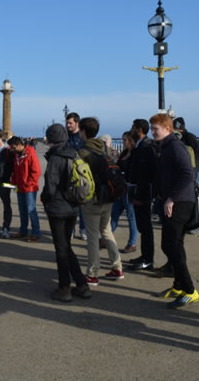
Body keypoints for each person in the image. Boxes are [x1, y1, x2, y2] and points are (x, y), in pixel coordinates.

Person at [150, 113, 198, 308]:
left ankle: (189, 290)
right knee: (172, 245)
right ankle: (178, 285)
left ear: (168, 129)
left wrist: (172, 198)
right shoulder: (166, 146)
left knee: (172, 245)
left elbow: (188, 173)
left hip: (180, 203)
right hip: (172, 201)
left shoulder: (175, 147)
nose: (152, 132)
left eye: (156, 129)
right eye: (152, 128)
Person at [41, 124, 92, 302]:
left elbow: (50, 187)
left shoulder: (55, 158)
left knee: (61, 249)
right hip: (73, 206)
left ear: (51, 139)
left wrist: (44, 199)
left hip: (58, 209)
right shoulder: (73, 153)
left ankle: (64, 288)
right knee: (66, 246)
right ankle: (81, 285)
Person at [77, 117, 124, 285]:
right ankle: (117, 267)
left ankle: (92, 273)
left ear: (83, 131)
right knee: (106, 231)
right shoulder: (105, 148)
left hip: (93, 200)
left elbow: (81, 178)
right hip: (109, 197)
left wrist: (80, 198)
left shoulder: (83, 152)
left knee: (92, 237)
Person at [126, 118, 157, 271]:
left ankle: (148, 259)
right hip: (137, 192)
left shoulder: (147, 147)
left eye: (133, 127)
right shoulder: (140, 146)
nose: (131, 129)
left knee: (146, 228)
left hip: (143, 195)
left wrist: (141, 197)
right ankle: (144, 256)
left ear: (139, 129)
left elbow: (146, 175)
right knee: (142, 227)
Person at [8, 136, 42, 241]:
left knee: (31, 210)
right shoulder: (16, 155)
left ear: (19, 145)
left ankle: (36, 232)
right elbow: (15, 171)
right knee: (22, 210)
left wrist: (28, 184)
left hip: (29, 188)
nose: (12, 150)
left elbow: (36, 172)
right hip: (19, 187)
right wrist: (13, 183)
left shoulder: (30, 153)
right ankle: (23, 231)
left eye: (13, 147)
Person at [110, 131, 138, 253]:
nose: (123, 142)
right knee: (114, 214)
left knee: (131, 217)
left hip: (130, 188)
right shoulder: (124, 153)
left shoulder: (136, 154)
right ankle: (107, 238)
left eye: (125, 140)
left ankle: (132, 243)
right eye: (123, 140)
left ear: (131, 141)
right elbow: (118, 167)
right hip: (121, 188)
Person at [66, 112, 87, 240]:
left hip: (81, 174)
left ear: (77, 123)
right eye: (67, 123)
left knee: (82, 204)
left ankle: (83, 229)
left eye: (70, 123)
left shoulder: (82, 137)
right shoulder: (65, 136)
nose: (68, 125)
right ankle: (71, 229)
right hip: (68, 173)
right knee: (70, 205)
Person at [173, 117, 199, 183]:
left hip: (192, 169)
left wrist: (196, 168)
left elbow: (198, 152)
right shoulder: (178, 137)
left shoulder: (189, 137)